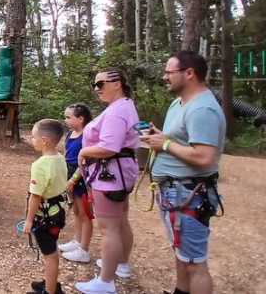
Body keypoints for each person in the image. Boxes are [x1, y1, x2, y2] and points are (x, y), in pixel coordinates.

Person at [140, 51, 225, 294]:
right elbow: (181, 141)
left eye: (170, 72)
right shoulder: (179, 104)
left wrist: (164, 145)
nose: (165, 76)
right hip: (175, 193)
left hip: (190, 193)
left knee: (194, 263)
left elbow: (204, 157)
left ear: (189, 73)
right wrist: (162, 137)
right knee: (182, 253)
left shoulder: (202, 109)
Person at [75, 68, 140, 294]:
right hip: (119, 173)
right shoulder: (123, 106)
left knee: (109, 229)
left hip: (109, 176)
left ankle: (105, 282)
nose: (97, 89)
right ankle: (120, 264)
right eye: (95, 85)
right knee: (121, 222)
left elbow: (108, 147)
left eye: (101, 84)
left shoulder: (116, 112)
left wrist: (83, 152)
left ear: (117, 83)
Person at [25, 119, 68, 294]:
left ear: (44, 140)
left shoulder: (40, 165)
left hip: (45, 217)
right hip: (57, 212)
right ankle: (50, 283)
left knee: (49, 255)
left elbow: (35, 196)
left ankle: (50, 292)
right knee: (51, 251)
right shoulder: (59, 158)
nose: (32, 139)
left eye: (34, 136)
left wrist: (29, 220)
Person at [59, 103, 94, 263]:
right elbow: (66, 153)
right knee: (76, 211)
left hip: (81, 176)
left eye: (68, 117)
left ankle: (84, 249)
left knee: (85, 213)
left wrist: (74, 179)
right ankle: (77, 240)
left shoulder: (88, 135)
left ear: (81, 119)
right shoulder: (70, 133)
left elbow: (85, 161)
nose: (66, 120)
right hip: (69, 172)